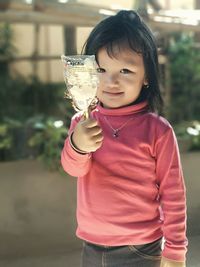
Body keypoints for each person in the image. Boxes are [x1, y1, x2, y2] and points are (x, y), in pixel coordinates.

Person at [61, 10, 188, 267]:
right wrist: (78, 145)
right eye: (101, 69)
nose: (111, 81)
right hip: (92, 245)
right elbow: (73, 168)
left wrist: (175, 250)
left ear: (148, 76)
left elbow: (173, 194)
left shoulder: (157, 130)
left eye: (126, 70)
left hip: (142, 247)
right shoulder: (83, 122)